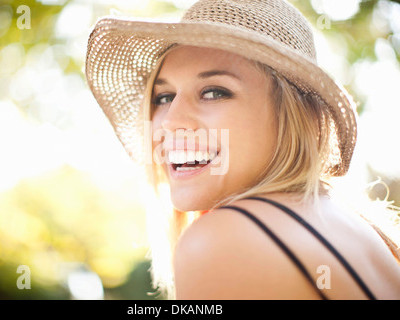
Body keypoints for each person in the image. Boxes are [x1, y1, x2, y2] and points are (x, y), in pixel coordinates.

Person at [85, 0, 400, 299]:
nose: (170, 122)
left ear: (293, 115)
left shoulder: (224, 238)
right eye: (164, 97)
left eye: (214, 92)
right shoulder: (349, 222)